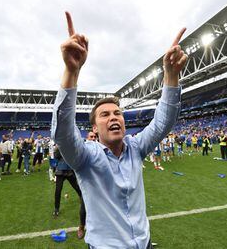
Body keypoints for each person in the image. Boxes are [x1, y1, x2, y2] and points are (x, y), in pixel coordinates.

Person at [51, 12, 186, 248]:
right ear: (94, 127)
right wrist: (71, 72)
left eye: (117, 113)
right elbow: (62, 133)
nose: (113, 117)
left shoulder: (135, 148)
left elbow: (162, 123)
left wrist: (171, 76)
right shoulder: (85, 158)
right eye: (105, 115)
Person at [52, 147, 86, 239]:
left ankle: (82, 198)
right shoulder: (57, 147)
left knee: (77, 187)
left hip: (69, 171)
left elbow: (74, 157)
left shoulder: (69, 146)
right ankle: (56, 209)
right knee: (58, 191)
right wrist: (58, 148)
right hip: (60, 171)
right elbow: (56, 157)